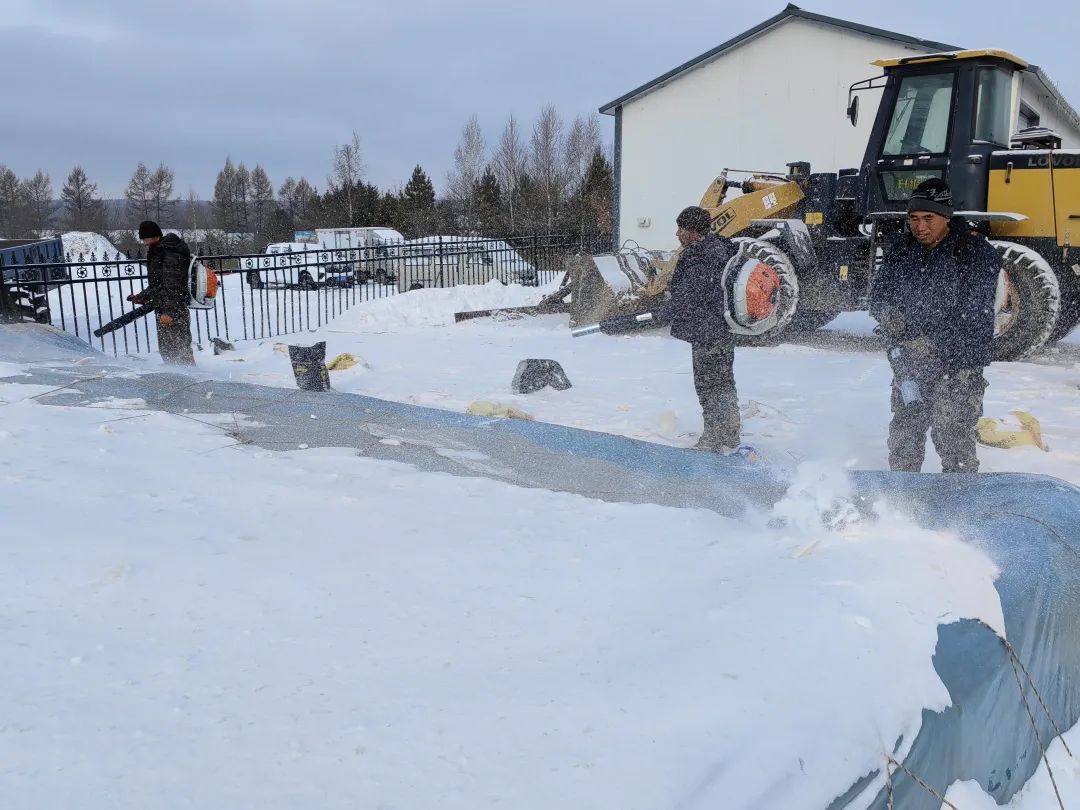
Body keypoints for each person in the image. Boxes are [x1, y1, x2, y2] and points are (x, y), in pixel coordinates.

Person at [870, 178, 1000, 473]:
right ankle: (901, 501)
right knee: (904, 436)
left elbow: (975, 313)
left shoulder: (975, 252)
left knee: (952, 438)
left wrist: (933, 343)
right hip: (911, 363)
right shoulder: (903, 249)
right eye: (913, 219)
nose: (920, 227)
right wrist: (887, 312)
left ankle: (958, 504)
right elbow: (879, 293)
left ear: (947, 217)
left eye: (929, 218)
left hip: (958, 364)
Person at [668, 205, 740, 451]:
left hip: (708, 332)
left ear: (694, 231)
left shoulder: (701, 257)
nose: (677, 234)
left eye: (681, 228)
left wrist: (666, 310)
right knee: (724, 383)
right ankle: (729, 435)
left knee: (710, 387)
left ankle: (713, 438)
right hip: (720, 330)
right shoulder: (719, 249)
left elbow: (690, 297)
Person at [130, 220, 195, 366]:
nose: (145, 243)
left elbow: (173, 285)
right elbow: (159, 283)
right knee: (169, 351)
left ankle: (191, 382)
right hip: (166, 308)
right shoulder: (160, 251)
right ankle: (177, 381)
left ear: (155, 236)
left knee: (180, 352)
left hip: (174, 310)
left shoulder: (170, 253)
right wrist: (143, 296)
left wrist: (169, 312)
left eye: (146, 239)